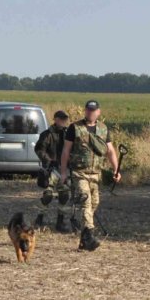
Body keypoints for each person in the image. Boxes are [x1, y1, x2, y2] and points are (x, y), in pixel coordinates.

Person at [59, 100, 121, 252]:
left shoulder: (103, 129)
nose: (90, 113)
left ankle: (83, 238)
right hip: (79, 173)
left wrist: (116, 169)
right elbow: (66, 151)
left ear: (98, 112)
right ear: (85, 111)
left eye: (93, 110)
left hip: (95, 174)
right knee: (85, 202)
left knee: (94, 203)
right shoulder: (75, 128)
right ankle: (90, 238)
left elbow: (110, 151)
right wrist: (63, 172)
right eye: (88, 110)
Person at [35, 110, 72, 232]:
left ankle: (60, 222)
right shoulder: (47, 134)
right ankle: (39, 220)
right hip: (50, 169)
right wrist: (49, 160)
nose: (63, 121)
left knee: (64, 195)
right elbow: (39, 150)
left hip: (63, 169)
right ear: (55, 119)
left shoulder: (68, 134)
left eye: (65, 119)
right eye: (61, 119)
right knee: (47, 196)